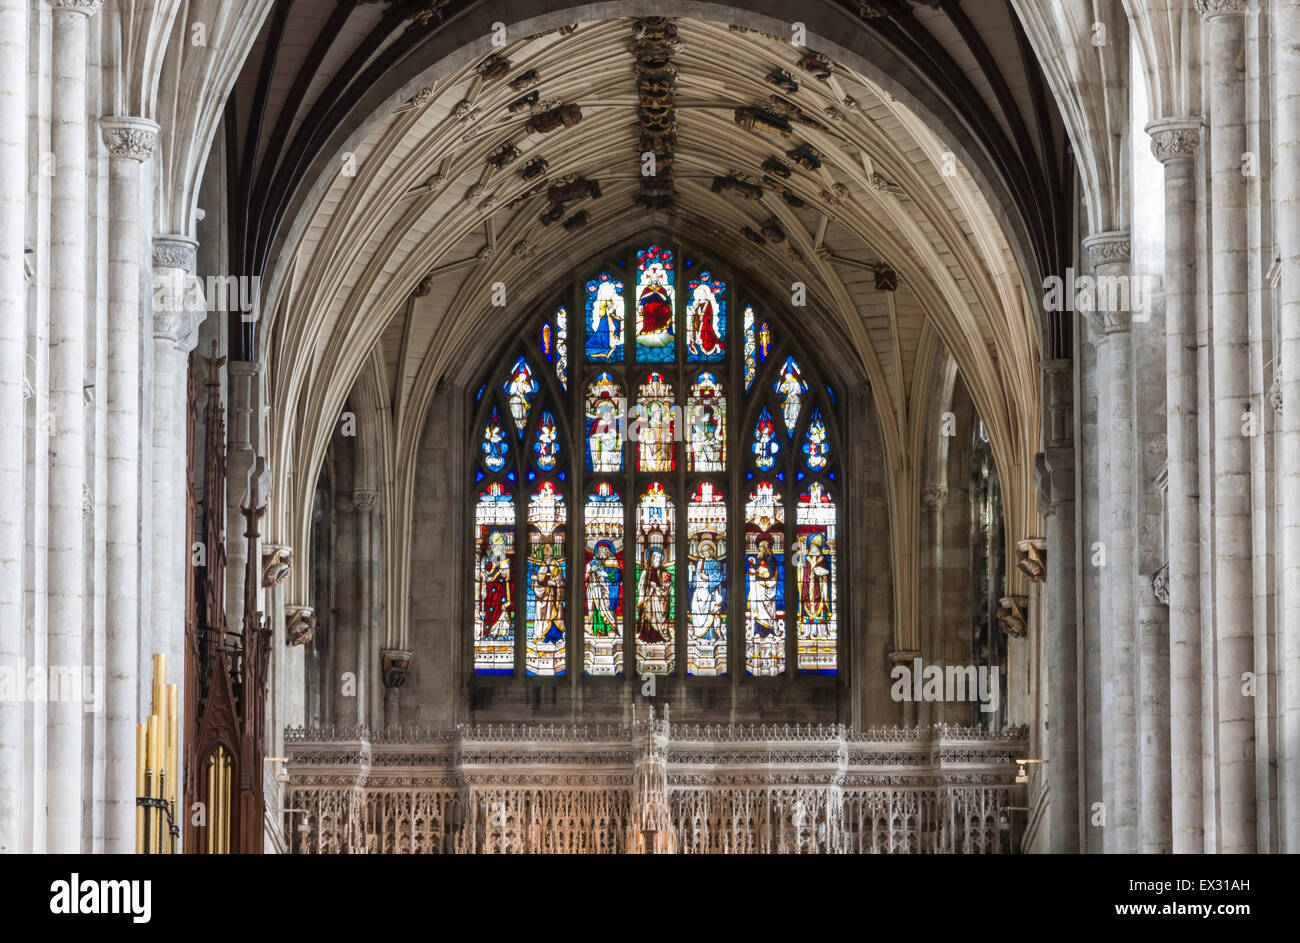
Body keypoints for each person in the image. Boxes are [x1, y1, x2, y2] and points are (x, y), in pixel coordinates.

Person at [637, 546, 672, 643]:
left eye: (660, 558)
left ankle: (660, 637)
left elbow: (667, 586)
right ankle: (648, 638)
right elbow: (641, 586)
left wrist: (664, 586)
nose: (659, 560)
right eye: (657, 558)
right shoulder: (646, 572)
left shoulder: (663, 572)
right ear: (652, 559)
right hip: (650, 600)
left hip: (660, 601)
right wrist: (649, 587)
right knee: (649, 617)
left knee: (661, 618)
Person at [585, 540, 621, 637]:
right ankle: (597, 629)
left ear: (608, 551)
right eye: (599, 550)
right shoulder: (593, 562)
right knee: (596, 609)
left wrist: (606, 575)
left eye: (603, 550)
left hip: (608, 591)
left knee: (608, 609)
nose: (601, 552)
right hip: (595, 591)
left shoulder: (613, 561)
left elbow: (617, 577)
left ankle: (611, 628)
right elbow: (585, 577)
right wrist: (591, 571)